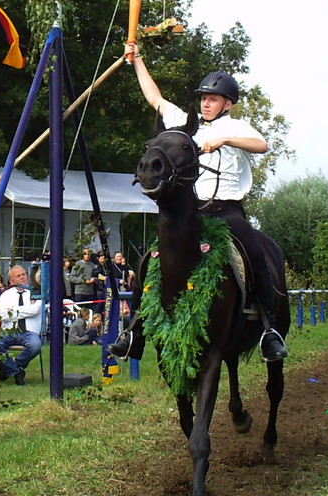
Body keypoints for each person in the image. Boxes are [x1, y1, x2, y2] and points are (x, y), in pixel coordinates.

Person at [111, 45, 287, 363]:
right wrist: (137, 60)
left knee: (255, 254)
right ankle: (133, 331)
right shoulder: (185, 123)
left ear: (227, 104)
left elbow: (261, 145)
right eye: (204, 98)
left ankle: (268, 329)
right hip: (192, 212)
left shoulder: (236, 127)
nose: (206, 103)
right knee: (149, 259)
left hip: (227, 211)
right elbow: (154, 98)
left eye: (213, 99)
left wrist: (225, 140)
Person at [0, 266, 42, 385]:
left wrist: (13, 311)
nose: (22, 277)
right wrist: (26, 310)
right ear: (11, 281)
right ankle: (16, 371)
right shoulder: (6, 295)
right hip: (10, 331)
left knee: (35, 345)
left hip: (29, 332)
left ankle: (12, 367)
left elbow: (35, 310)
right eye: (18, 276)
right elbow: (2, 315)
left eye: (23, 274)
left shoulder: (35, 293)